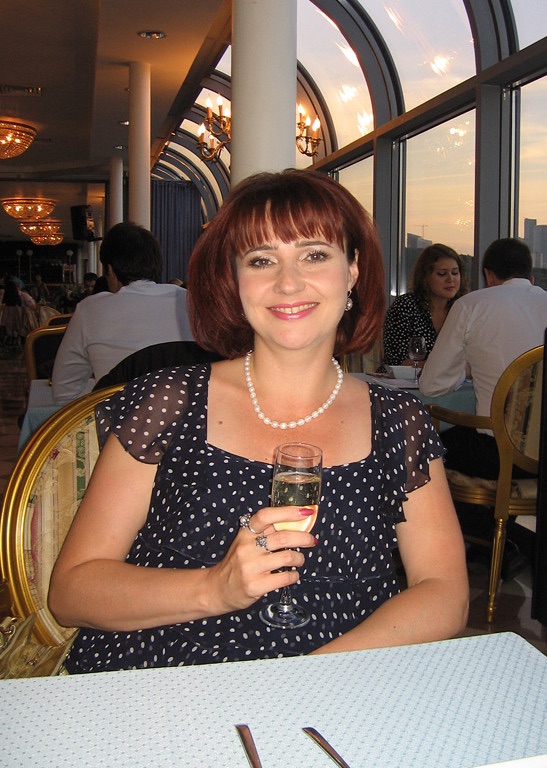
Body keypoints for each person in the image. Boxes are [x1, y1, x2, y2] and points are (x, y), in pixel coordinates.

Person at [49, 170, 468, 674]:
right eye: (262, 260)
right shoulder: (170, 402)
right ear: (235, 278)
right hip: (169, 678)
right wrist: (215, 588)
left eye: (315, 255)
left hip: (341, 682)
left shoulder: (399, 422)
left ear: (353, 270)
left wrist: (305, 679)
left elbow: (444, 591)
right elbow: (72, 591)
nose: (288, 282)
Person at [419, 237, 547, 573]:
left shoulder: (471, 305)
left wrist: (468, 365)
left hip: (500, 453)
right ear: (530, 275)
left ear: (488, 275)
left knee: (422, 454)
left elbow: (432, 385)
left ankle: (495, 538)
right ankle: (506, 538)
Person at [51, 222, 194, 403]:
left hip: (118, 418)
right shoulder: (193, 303)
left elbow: (64, 392)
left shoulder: (90, 310)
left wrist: (103, 392)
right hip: (192, 418)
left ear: (110, 270)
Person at [383, 243, 468, 366]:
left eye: (455, 273)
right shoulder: (405, 306)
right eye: (442, 273)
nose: (450, 279)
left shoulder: (464, 308)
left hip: (453, 378)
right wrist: (443, 368)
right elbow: (396, 360)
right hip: (403, 378)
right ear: (425, 277)